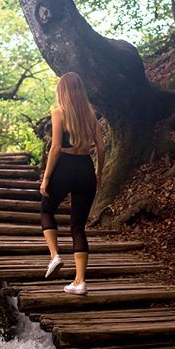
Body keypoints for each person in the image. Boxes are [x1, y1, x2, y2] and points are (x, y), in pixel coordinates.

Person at [40, 72, 105, 295]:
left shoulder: (59, 113)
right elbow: (102, 148)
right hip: (86, 168)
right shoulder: (91, 114)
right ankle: (80, 282)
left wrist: (47, 177)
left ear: (62, 91)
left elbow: (56, 147)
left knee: (46, 209)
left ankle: (55, 255)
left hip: (65, 168)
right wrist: (99, 173)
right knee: (78, 227)